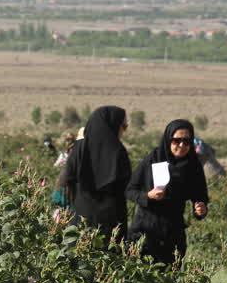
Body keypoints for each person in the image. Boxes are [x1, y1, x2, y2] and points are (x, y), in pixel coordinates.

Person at [126, 119, 209, 265]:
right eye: (177, 141)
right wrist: (148, 196)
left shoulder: (193, 166)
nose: (182, 145)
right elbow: (130, 190)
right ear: (168, 139)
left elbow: (200, 197)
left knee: (170, 281)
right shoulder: (153, 159)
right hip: (146, 231)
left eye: (187, 141)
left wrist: (200, 209)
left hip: (173, 233)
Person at [58, 106, 131, 243]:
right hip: (111, 223)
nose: (124, 131)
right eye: (123, 126)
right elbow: (126, 187)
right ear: (113, 126)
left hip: (79, 219)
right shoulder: (118, 152)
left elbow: (67, 179)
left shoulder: (80, 148)